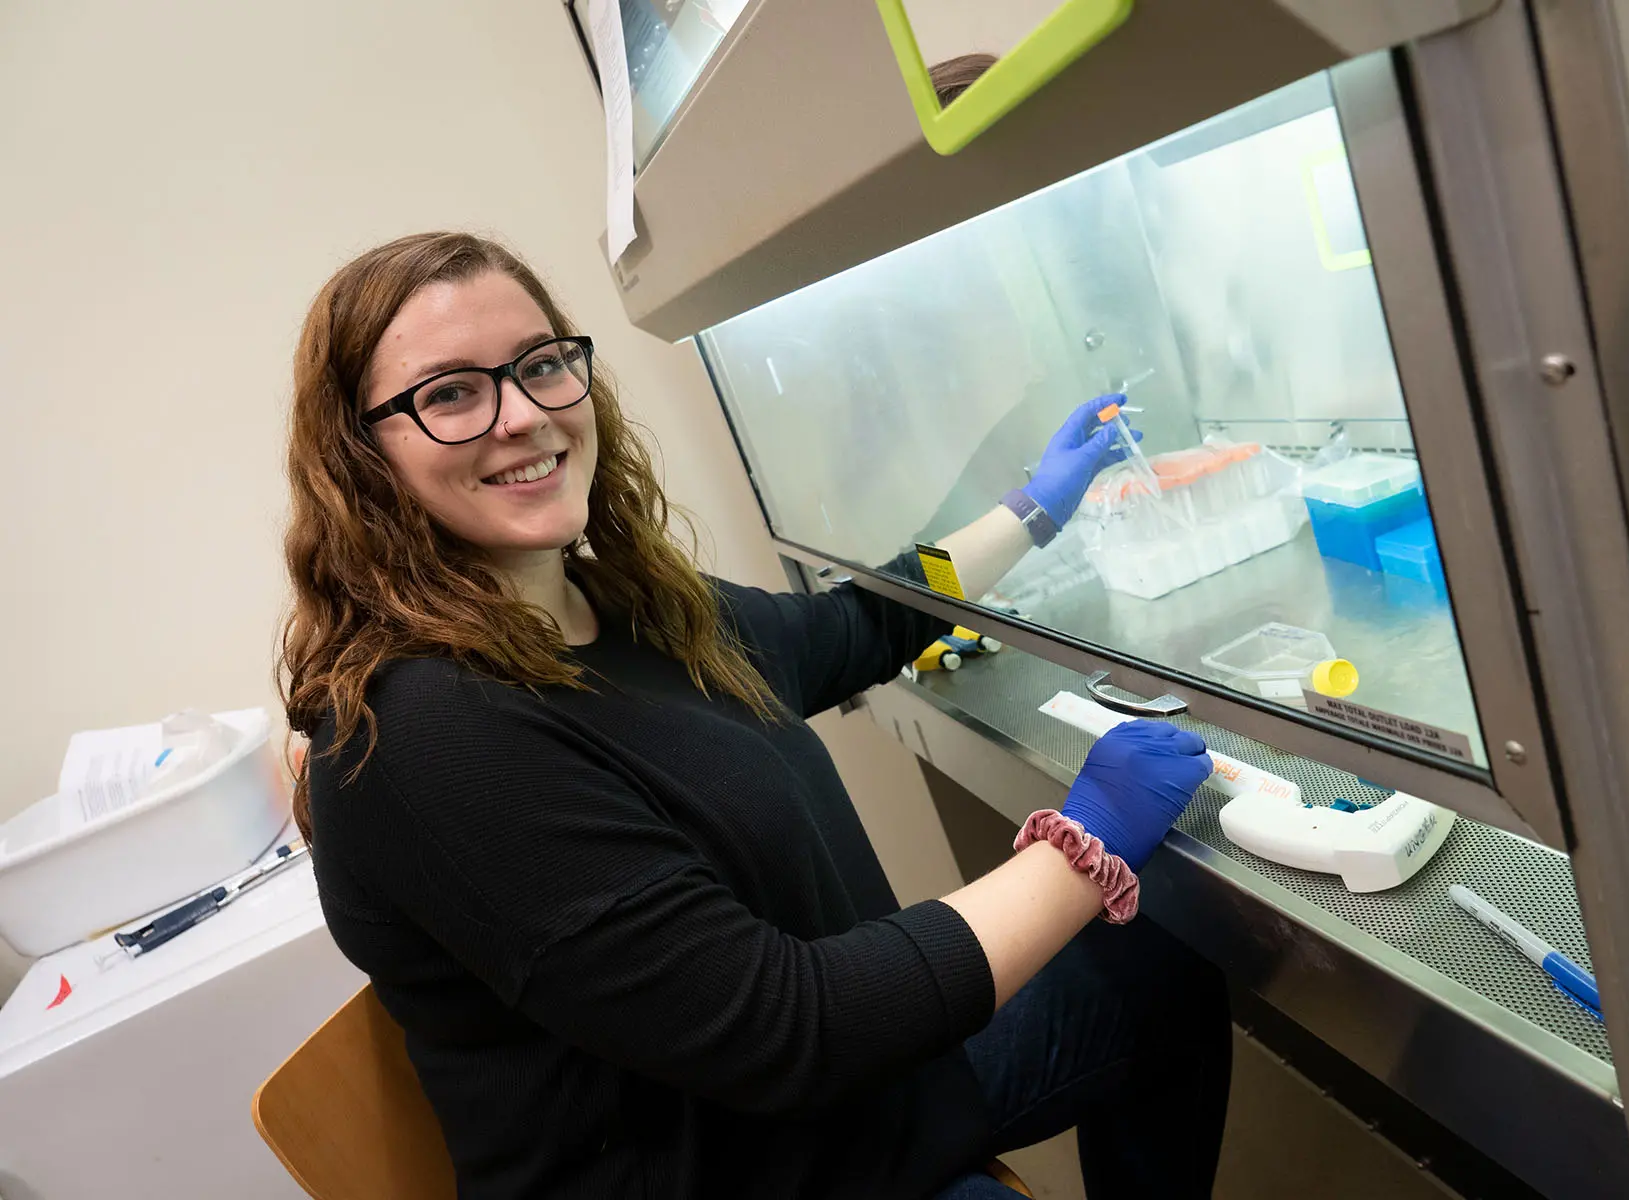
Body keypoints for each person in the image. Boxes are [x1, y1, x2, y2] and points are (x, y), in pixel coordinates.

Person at [282, 231, 1231, 1200]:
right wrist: (1081, 843)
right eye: (449, 394)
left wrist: (1033, 509)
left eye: (541, 364)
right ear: (358, 459)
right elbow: (791, 1031)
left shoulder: (632, 609)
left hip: (840, 1112)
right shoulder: (422, 734)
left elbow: (852, 628)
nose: (522, 414)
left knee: (1162, 971)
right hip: (753, 1165)